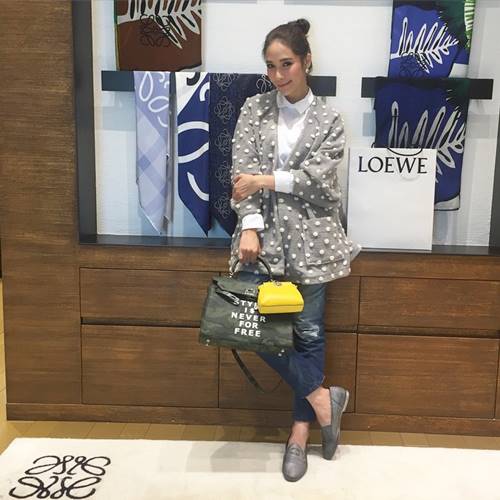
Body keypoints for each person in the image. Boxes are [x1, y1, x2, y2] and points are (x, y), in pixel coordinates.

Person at [229, 18, 361, 482]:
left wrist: (264, 180)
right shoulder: (254, 109)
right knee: (251, 328)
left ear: (307, 61)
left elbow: (321, 187)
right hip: (261, 240)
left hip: (313, 241)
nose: (278, 75)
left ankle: (299, 435)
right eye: (271, 66)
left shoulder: (329, 120)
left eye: (286, 64)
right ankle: (325, 400)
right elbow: (240, 174)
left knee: (307, 335)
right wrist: (249, 225)